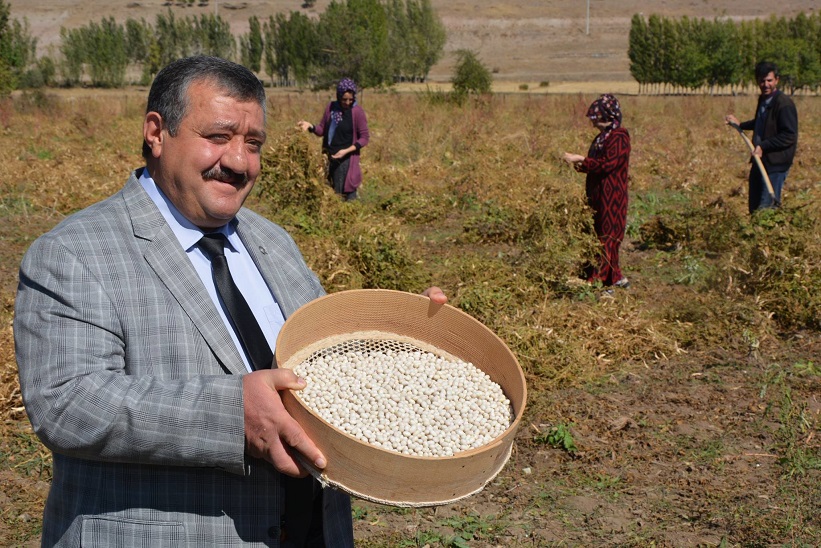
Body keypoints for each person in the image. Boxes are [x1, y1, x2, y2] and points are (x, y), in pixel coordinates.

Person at [14, 55, 447, 547]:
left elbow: (327, 363)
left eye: (253, 143)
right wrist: (229, 415)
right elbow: (68, 402)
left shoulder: (274, 243)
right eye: (218, 137)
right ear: (157, 132)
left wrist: (401, 342)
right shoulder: (76, 253)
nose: (240, 162)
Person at [562, 93, 631, 289]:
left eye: (595, 119)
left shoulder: (620, 137)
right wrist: (578, 164)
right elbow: (595, 165)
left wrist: (581, 159)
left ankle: (603, 281)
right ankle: (611, 276)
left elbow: (608, 164)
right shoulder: (602, 138)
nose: (592, 123)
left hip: (612, 196)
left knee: (608, 236)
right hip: (597, 194)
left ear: (607, 117)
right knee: (595, 234)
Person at [724, 61, 798, 214]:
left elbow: (789, 135)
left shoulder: (784, 104)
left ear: (776, 80)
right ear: (757, 81)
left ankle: (766, 235)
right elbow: (761, 123)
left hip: (775, 164)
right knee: (754, 206)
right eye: (762, 80)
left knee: (766, 208)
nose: (766, 84)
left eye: (769, 80)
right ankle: (755, 233)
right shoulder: (763, 100)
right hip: (760, 161)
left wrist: (763, 146)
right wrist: (740, 124)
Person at [297, 78, 369, 201]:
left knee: (344, 197)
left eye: (350, 100)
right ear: (338, 96)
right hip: (329, 159)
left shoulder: (357, 112)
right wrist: (310, 126)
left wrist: (345, 151)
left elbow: (364, 138)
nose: (347, 102)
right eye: (344, 99)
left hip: (346, 161)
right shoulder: (331, 108)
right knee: (329, 193)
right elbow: (322, 130)